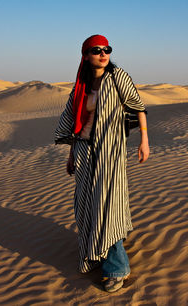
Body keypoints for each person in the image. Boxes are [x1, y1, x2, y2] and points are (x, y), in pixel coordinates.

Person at [54, 34, 149, 293]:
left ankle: (117, 268)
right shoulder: (81, 85)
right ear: (86, 55)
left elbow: (138, 106)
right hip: (84, 151)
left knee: (107, 207)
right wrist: (72, 154)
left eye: (106, 49)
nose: (103, 54)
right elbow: (75, 123)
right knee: (86, 206)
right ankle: (96, 254)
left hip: (110, 152)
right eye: (96, 50)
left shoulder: (118, 77)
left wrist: (144, 140)